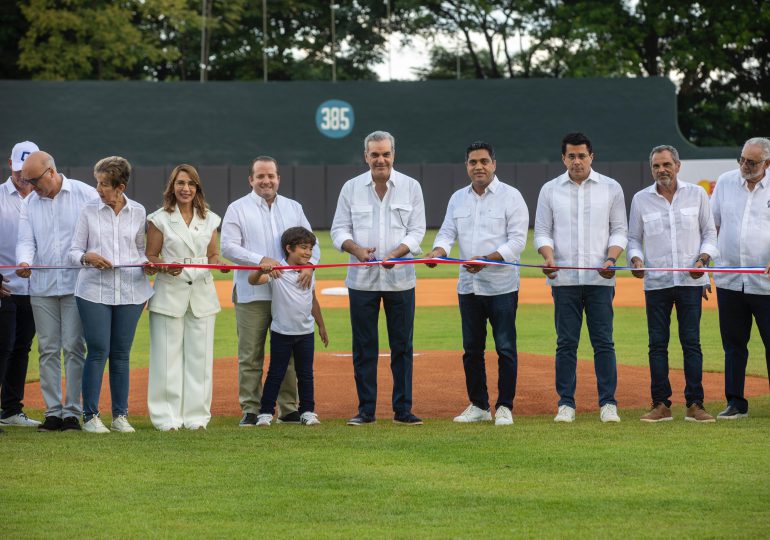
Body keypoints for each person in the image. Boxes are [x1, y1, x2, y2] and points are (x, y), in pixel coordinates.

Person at [425, 141, 528, 426]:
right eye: (473, 162)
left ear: (494, 164)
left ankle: (504, 406)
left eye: (484, 161)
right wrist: (438, 251)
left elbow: (517, 242)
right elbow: (447, 233)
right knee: (472, 350)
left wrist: (487, 259)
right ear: (466, 166)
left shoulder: (511, 196)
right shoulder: (458, 198)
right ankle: (479, 405)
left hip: (501, 286)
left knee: (505, 348)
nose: (478, 167)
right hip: (468, 287)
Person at [330, 130, 426, 426]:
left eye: (385, 154)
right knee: (364, 346)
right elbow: (339, 230)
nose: (380, 159)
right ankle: (366, 411)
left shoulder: (411, 186)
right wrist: (357, 250)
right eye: (375, 154)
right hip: (362, 280)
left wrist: (398, 252)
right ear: (366, 156)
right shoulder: (351, 188)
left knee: (402, 346)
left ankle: (403, 410)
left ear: (393, 155)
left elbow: (417, 231)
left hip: (401, 279)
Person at [534, 132, 628, 423]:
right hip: (564, 281)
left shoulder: (611, 188)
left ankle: (608, 403)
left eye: (582, 156)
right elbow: (542, 231)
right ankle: (566, 404)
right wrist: (548, 256)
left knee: (604, 343)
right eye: (571, 156)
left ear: (591, 157)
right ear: (563, 158)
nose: (577, 161)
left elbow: (619, 230)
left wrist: (611, 258)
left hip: (600, 279)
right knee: (566, 344)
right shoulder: (549, 190)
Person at [221, 156, 319, 427]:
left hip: (288, 295)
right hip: (252, 292)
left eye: (271, 176)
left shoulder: (293, 207)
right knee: (250, 354)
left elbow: (312, 243)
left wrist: (310, 266)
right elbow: (228, 247)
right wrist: (260, 259)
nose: (266, 181)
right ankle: (251, 409)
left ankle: (288, 409)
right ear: (251, 179)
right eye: (260, 176)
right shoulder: (237, 208)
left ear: (278, 178)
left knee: (288, 355)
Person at [628, 145, 718, 423]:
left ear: (678, 166)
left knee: (691, 343)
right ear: (651, 169)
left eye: (666, 164)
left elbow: (709, 234)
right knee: (657, 345)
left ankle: (695, 404)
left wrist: (703, 260)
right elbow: (634, 239)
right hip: (657, 283)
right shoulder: (641, 199)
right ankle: (660, 404)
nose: (662, 170)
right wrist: (635, 259)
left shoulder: (698, 194)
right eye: (656, 166)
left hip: (691, 282)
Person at [69, 156, 155, 433]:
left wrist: (148, 264)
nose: (98, 189)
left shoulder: (138, 211)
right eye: (98, 183)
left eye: (104, 184)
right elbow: (73, 251)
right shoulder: (88, 210)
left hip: (131, 292)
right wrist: (87, 257)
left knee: (121, 354)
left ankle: (120, 416)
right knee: (98, 351)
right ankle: (90, 416)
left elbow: (140, 251)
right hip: (93, 291)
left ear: (121, 187)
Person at [16, 151, 98, 432]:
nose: (31, 187)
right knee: (48, 349)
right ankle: (53, 412)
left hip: (77, 285)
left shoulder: (85, 194)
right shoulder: (29, 203)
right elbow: (26, 241)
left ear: (51, 172)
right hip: (42, 286)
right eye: (27, 181)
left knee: (74, 347)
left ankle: (72, 412)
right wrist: (24, 261)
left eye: (34, 180)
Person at [145, 164, 227, 431]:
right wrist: (164, 266)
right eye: (180, 183)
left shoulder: (210, 219)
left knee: (200, 359)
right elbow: (150, 256)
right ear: (172, 186)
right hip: (169, 293)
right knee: (166, 358)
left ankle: (196, 417)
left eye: (191, 184)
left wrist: (219, 263)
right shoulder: (159, 219)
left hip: (202, 294)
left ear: (197, 188)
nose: (186, 188)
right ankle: (166, 417)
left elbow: (212, 255)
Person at [710, 136, 770, 420]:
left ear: (767, 163)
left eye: (752, 162)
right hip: (730, 280)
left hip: (766, 283)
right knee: (733, 345)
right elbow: (711, 225)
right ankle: (735, 402)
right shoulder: (725, 182)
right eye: (742, 159)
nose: (745, 165)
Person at [248, 227, 328, 427]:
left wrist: (321, 325)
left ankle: (307, 412)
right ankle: (266, 413)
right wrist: (261, 270)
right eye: (303, 248)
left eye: (310, 248)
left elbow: (313, 299)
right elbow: (253, 281)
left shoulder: (310, 271)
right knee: (276, 373)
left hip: (306, 332)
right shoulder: (277, 271)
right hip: (282, 333)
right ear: (289, 248)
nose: (308, 252)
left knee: (306, 374)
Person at [0, 141, 41, 428]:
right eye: (18, 171)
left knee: (21, 348)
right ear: (9, 165)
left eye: (27, 172)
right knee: (2, 347)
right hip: (4, 287)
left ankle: (11, 410)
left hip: (34, 289)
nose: (23, 177)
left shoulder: (45, 198)